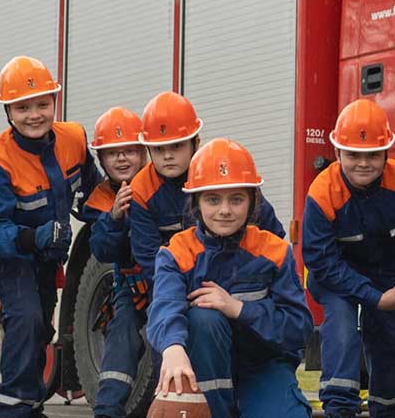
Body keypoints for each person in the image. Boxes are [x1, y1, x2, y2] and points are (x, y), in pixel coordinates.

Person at [303, 98, 395, 418]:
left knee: (388, 348)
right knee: (341, 331)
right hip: (334, 277)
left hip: (387, 271)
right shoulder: (322, 193)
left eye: (372, 155)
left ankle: (390, 411)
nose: (363, 163)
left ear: (386, 154)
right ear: (338, 153)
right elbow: (321, 261)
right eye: (353, 154)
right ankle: (340, 410)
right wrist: (373, 297)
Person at [146, 138, 313, 418]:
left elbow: (299, 327)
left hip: (264, 366)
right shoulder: (176, 253)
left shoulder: (275, 252)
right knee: (203, 317)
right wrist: (173, 349)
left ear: (252, 202)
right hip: (199, 369)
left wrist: (238, 308)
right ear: (196, 203)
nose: (225, 210)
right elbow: (164, 306)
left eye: (236, 199)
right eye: (213, 199)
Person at [0, 56, 100, 418]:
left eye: (42, 104)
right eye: (23, 107)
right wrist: (33, 238)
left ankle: (30, 406)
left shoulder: (73, 138)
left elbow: (89, 193)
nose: (34, 114)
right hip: (10, 254)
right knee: (26, 318)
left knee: (42, 324)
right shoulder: (0, 162)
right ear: (8, 112)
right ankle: (12, 408)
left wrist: (115, 214)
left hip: (48, 254)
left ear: (54, 103)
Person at [128, 91, 286, 279]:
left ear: (196, 142)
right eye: (158, 149)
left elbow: (273, 238)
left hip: (238, 279)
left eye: (176, 146)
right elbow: (149, 259)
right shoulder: (141, 190)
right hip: (174, 281)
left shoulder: (225, 168)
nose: (167, 155)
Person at [82, 107, 151, 418]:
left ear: (144, 152)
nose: (122, 159)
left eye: (130, 151)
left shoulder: (160, 184)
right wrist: (114, 218)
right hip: (132, 287)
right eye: (113, 153)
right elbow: (102, 250)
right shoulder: (99, 199)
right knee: (120, 335)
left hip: (173, 282)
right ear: (101, 160)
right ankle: (108, 410)